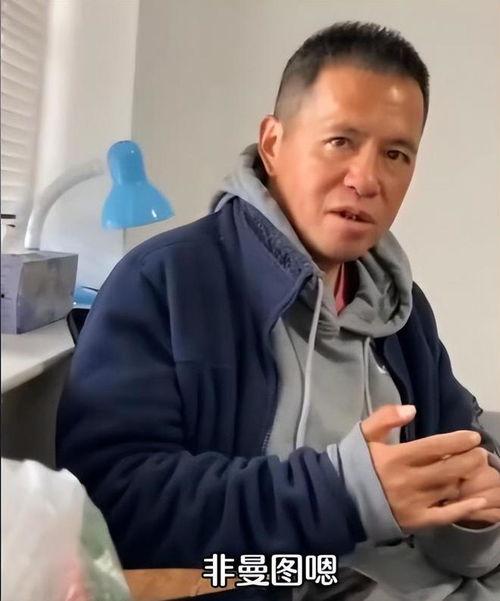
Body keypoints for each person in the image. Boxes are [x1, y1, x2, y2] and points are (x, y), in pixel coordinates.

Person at [57, 22, 500, 600]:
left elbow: (461, 460)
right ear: (272, 144)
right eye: (341, 141)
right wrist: (344, 493)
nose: (367, 179)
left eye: (396, 154)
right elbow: (115, 508)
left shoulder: (404, 312)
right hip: (264, 577)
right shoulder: (165, 282)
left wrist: (475, 515)